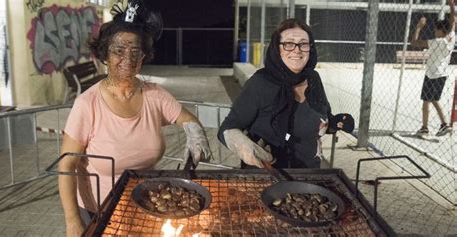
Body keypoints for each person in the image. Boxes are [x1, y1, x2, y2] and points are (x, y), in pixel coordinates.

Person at [57, 1, 212, 236]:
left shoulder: (154, 94)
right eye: (119, 50)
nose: (127, 58)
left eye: (135, 51)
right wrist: (72, 221)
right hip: (99, 209)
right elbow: (66, 164)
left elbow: (187, 118)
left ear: (143, 56)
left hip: (145, 202)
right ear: (105, 54)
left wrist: (194, 132)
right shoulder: (87, 104)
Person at [217, 18, 354, 169]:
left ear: (310, 48)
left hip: (309, 174)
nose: (297, 50)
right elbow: (227, 128)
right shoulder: (261, 82)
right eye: (288, 44)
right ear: (278, 48)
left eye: (303, 44)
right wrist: (240, 144)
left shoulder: (313, 78)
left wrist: (335, 123)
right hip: (267, 174)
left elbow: (321, 121)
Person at [411, 0, 455, 137]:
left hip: (432, 74)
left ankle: (435, 126)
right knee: (430, 100)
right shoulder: (452, 37)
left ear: (441, 31)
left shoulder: (437, 42)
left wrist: (418, 27)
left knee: (429, 100)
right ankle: (434, 126)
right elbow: (453, 22)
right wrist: (452, 6)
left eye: (436, 29)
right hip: (442, 74)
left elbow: (414, 42)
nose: (434, 31)